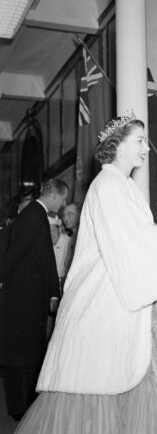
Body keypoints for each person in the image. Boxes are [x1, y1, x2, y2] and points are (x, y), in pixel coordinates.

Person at [14, 113, 157, 434]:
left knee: (132, 380)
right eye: (138, 141)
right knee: (102, 387)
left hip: (123, 299)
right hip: (107, 303)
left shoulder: (119, 185)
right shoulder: (108, 185)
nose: (146, 149)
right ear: (119, 146)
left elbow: (142, 235)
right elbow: (138, 239)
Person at [0, 179, 67, 421]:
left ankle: (24, 404)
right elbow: (15, 253)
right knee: (22, 352)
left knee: (26, 351)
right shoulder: (33, 216)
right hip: (24, 297)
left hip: (29, 295)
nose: (62, 204)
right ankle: (21, 407)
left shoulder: (36, 215)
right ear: (54, 196)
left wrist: (53, 291)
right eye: (62, 199)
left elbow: (45, 258)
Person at [61, 201, 82, 274]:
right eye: (63, 215)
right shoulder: (73, 236)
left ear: (80, 214)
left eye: (70, 214)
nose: (65, 219)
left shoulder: (81, 238)